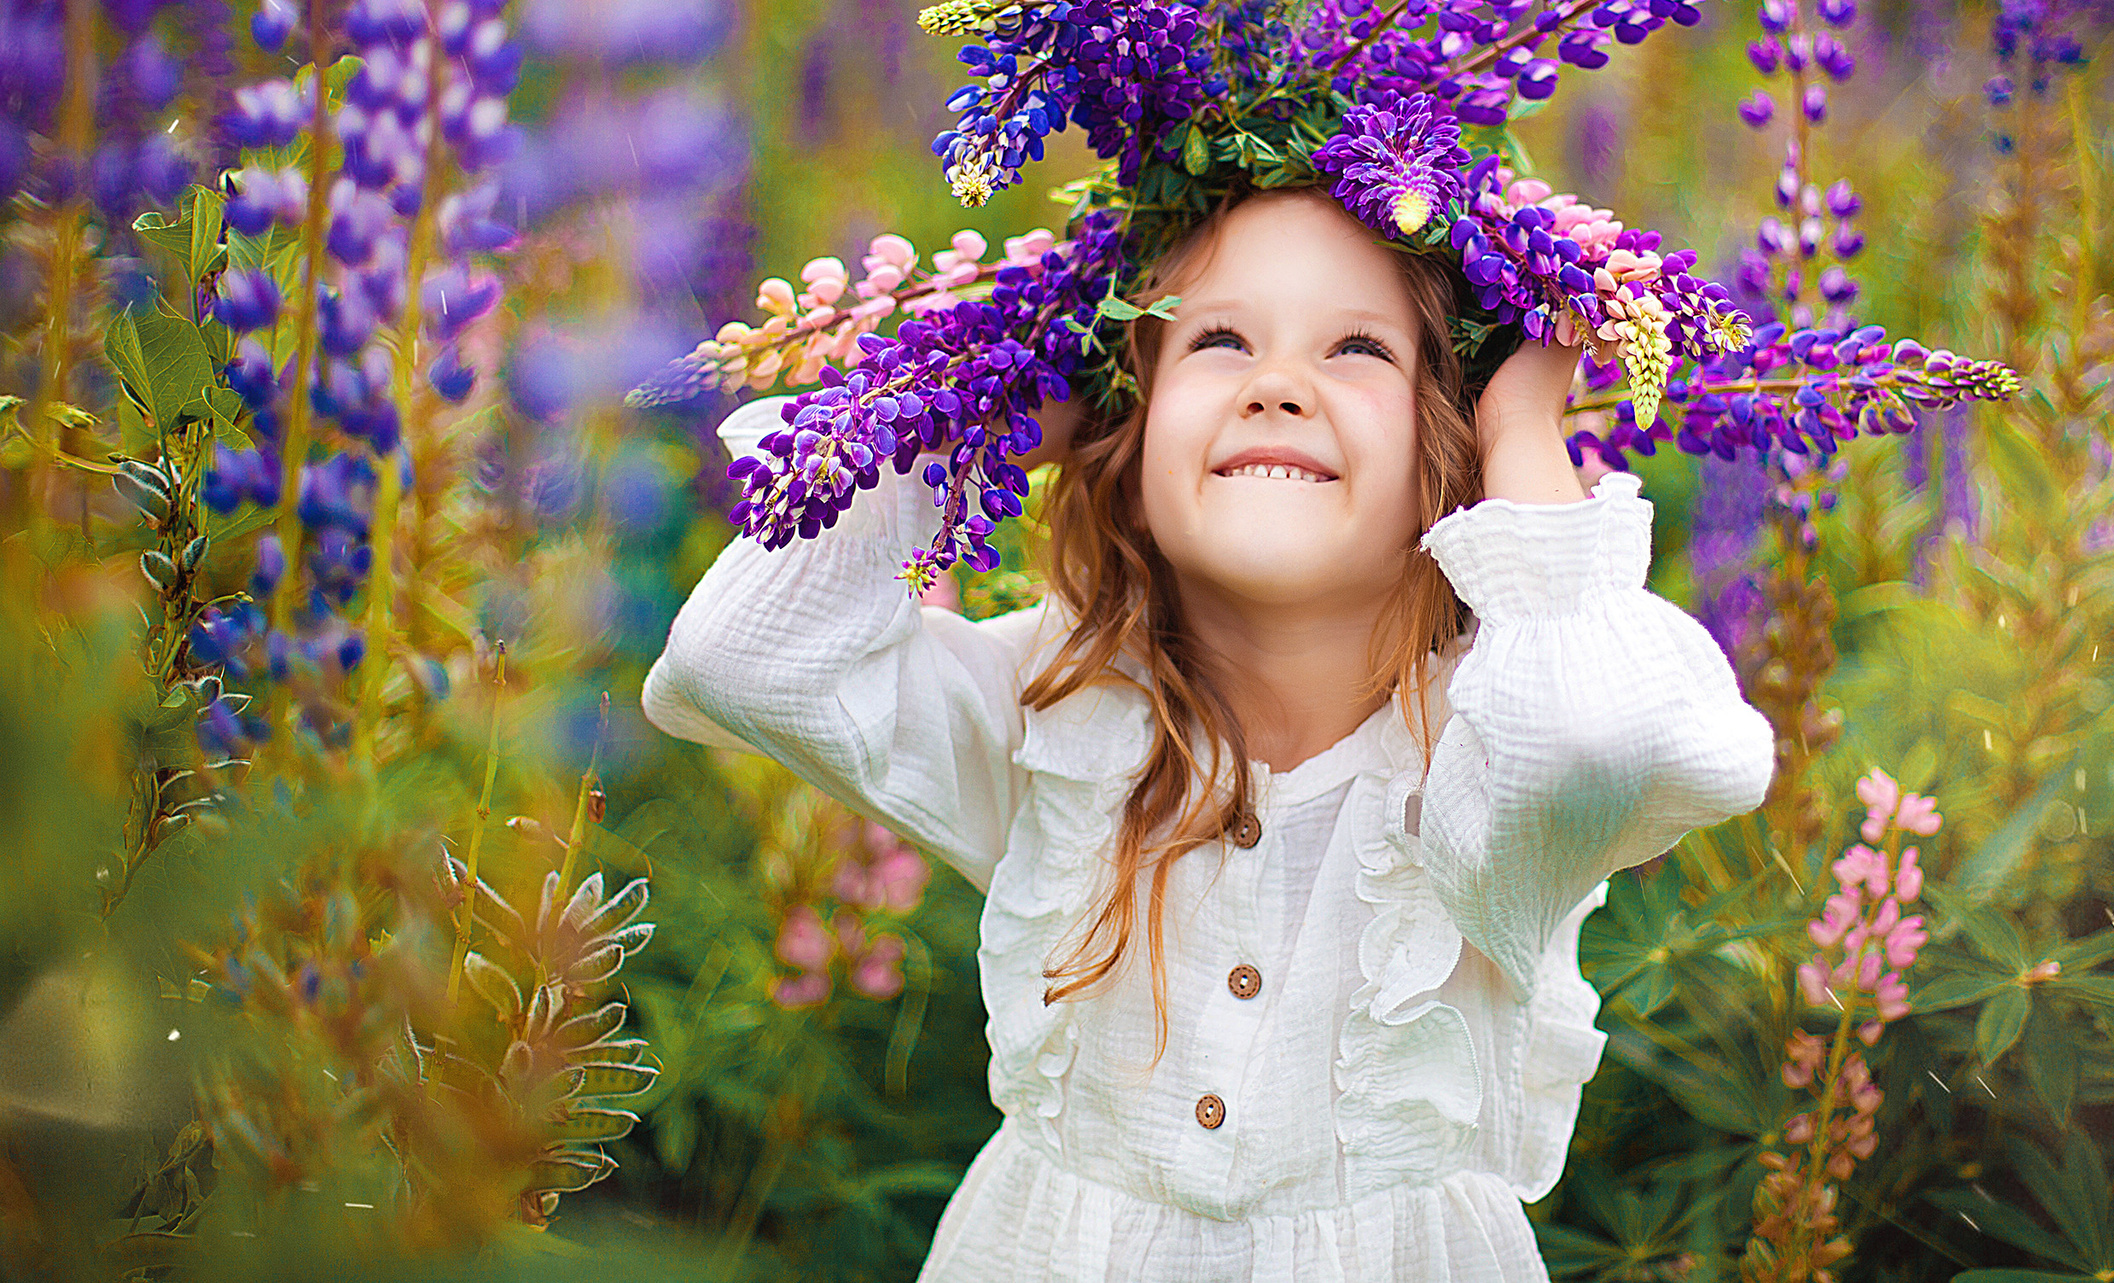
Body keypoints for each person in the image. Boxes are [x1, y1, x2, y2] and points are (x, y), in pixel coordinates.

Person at [642, 187, 1775, 1282]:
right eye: (1218, 340)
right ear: (1121, 444)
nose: (1277, 384)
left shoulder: (1489, 748)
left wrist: (1524, 427)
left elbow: (1607, 739)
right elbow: (740, 661)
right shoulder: (1052, 711)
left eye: (1358, 349)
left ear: (1449, 454)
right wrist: (969, 411)